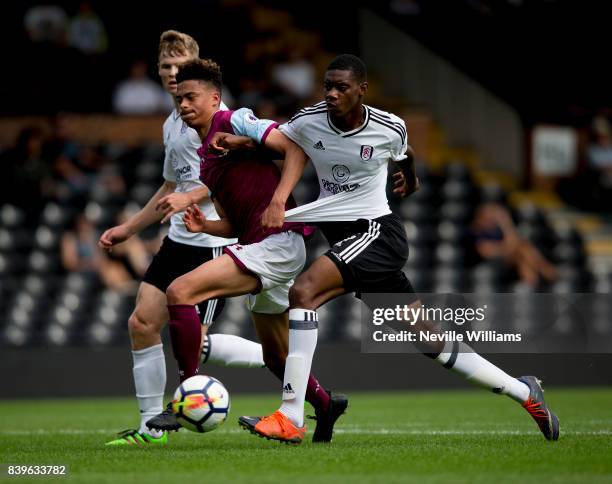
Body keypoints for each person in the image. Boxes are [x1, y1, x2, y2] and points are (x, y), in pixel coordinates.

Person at [212, 54, 559, 443]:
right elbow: (287, 142)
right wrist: (242, 142)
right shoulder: (310, 119)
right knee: (431, 341)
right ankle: (524, 391)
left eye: (341, 86)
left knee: (303, 292)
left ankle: (291, 414)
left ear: (362, 89)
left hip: (377, 234)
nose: (332, 93)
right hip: (349, 243)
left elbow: (405, 152)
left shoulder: (388, 126)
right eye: (328, 85)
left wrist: (408, 178)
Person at [154, 58, 346, 444]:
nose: (183, 105)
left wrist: (278, 201)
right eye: (178, 100)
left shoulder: (237, 120)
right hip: (259, 244)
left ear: (214, 98)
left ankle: (185, 394)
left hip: (278, 244)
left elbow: (294, 148)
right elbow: (233, 224)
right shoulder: (209, 160)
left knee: (179, 292)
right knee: (275, 357)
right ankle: (325, 404)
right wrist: (204, 226)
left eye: (191, 97)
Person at [100, 31, 265, 446]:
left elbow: (223, 177)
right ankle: (150, 428)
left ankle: (281, 360)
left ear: (195, 66)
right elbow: (171, 184)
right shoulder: (173, 121)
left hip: (211, 238)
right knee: (141, 324)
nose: (172, 74)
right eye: (165, 68)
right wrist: (129, 229)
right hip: (177, 239)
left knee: (195, 342)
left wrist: (189, 198)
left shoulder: (215, 116)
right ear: (157, 72)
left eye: (179, 66)